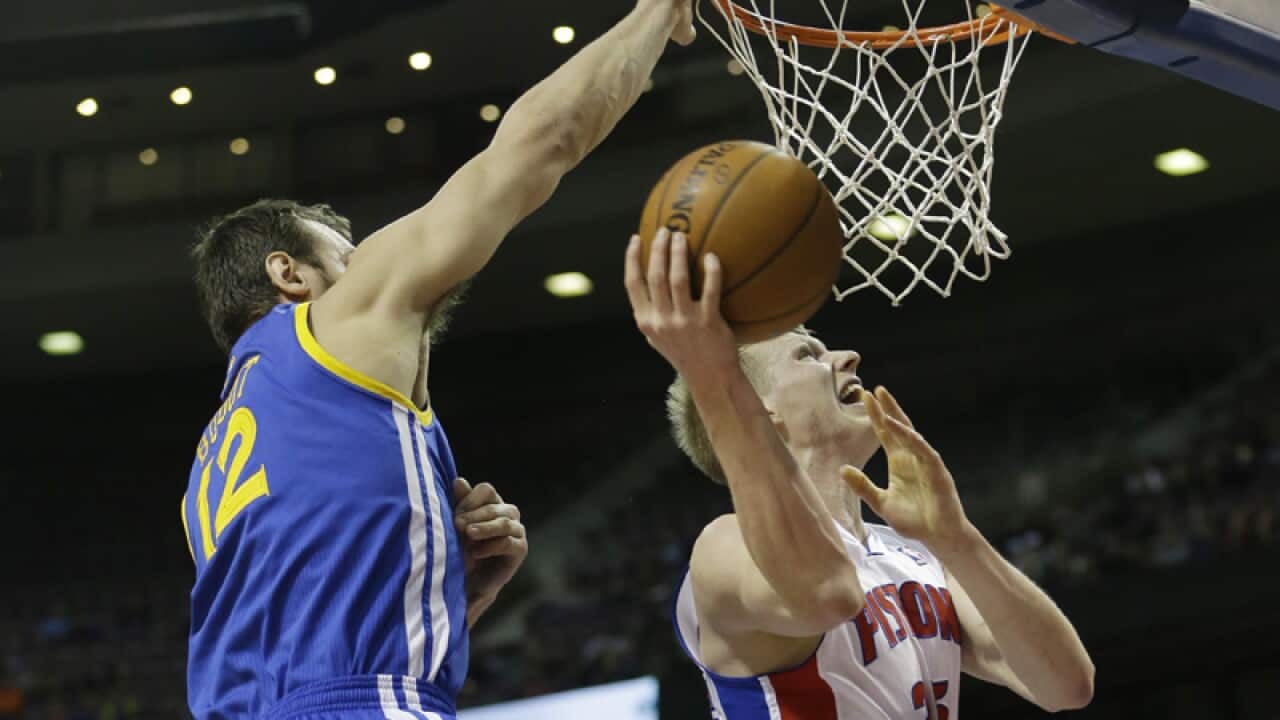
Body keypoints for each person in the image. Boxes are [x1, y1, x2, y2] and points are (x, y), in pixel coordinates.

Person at [179, 3, 696, 718]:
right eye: (347, 257)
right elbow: (540, 144)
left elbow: (307, 649)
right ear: (290, 276)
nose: (367, 266)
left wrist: (455, 592)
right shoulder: (331, 325)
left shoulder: (215, 464)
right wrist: (656, 14)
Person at [624, 229, 1095, 718]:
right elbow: (827, 596)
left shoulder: (911, 555)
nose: (847, 356)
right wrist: (714, 376)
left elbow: (1065, 685)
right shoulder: (727, 547)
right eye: (807, 355)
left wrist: (956, 538)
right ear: (763, 412)